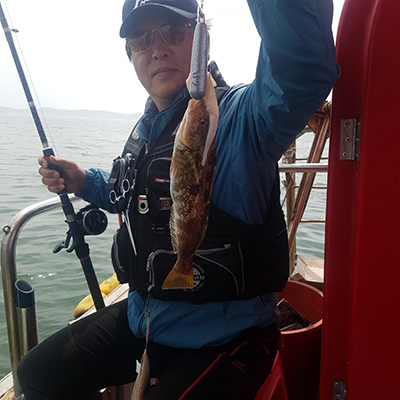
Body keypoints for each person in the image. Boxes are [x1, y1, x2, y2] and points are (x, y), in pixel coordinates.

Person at [17, 0, 339, 399]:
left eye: (172, 31)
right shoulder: (146, 129)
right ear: (131, 54)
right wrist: (83, 181)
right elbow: (133, 196)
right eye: (141, 39)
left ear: (201, 37)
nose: (157, 49)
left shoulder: (239, 118)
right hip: (145, 318)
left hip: (227, 337)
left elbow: (302, 70)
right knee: (36, 375)